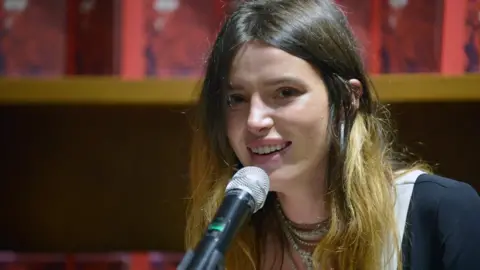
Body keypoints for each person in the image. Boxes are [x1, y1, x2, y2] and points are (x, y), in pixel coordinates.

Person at [185, 0, 480, 269]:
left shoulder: (443, 213)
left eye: (285, 92)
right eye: (236, 99)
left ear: (347, 100)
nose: (255, 120)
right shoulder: (228, 235)